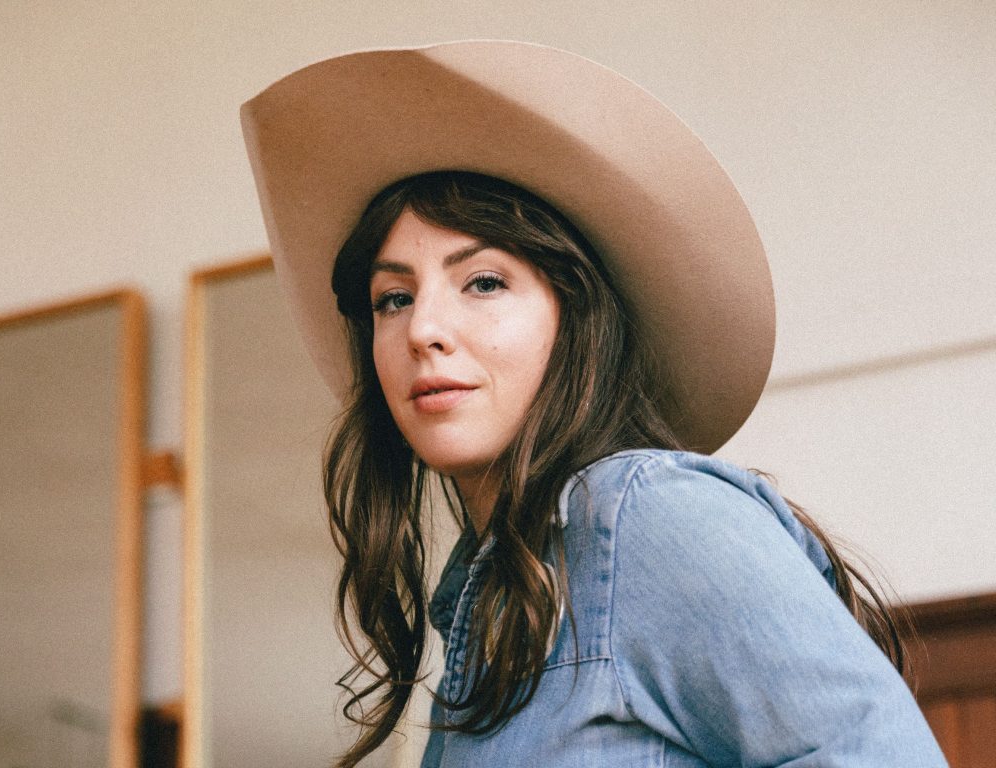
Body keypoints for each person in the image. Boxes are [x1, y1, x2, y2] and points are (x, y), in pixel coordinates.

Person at [242, 41, 947, 768]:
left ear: (573, 314)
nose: (422, 329)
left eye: (483, 282)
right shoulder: (484, 600)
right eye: (393, 298)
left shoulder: (646, 517)